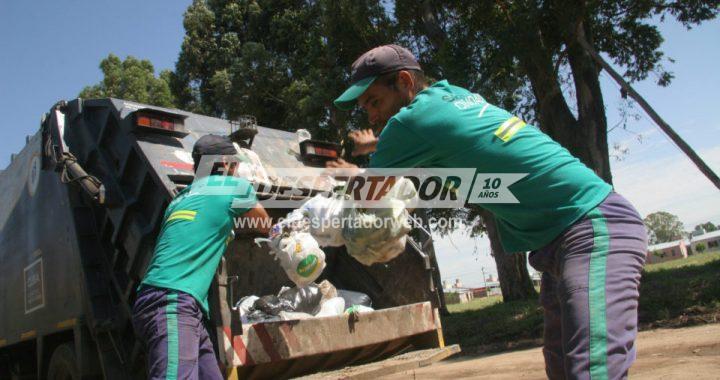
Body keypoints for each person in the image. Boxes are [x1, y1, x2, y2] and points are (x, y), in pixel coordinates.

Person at [328, 44, 647, 379]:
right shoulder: (452, 96)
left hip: (590, 227)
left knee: (591, 370)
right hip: (563, 238)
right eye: (366, 109)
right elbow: (442, 130)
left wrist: (347, 174)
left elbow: (365, 198)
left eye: (375, 102)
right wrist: (376, 145)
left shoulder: (407, 126)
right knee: (565, 367)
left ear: (405, 81)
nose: (372, 117)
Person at [132, 135, 270, 380]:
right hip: (172, 303)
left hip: (163, 300)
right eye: (235, 165)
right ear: (225, 164)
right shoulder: (232, 187)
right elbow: (263, 224)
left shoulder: (179, 199)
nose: (236, 170)